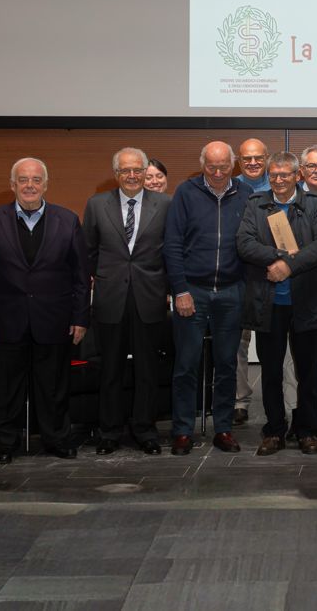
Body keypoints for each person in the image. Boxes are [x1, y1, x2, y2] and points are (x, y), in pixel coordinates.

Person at [0, 157, 90, 464]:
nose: (30, 185)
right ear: (12, 185)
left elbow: (81, 275)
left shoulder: (67, 220)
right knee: (5, 387)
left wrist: (80, 318)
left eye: (36, 180)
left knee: (53, 386)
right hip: (6, 319)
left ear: (46, 185)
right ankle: (4, 442)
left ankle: (57, 438)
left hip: (55, 319)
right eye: (23, 180)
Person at [237, 151, 317, 455]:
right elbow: (244, 243)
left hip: (307, 302)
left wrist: (289, 267)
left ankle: (306, 430)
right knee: (271, 370)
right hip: (268, 303)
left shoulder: (315, 205)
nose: (279, 180)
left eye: (285, 175)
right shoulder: (256, 204)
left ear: (297, 176)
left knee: (307, 370)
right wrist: (277, 259)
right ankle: (274, 431)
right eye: (274, 175)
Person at [83, 147, 171, 455]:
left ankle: (145, 430)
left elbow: (171, 251)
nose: (131, 176)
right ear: (116, 174)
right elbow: (89, 252)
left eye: (137, 170)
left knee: (147, 369)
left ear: (146, 172)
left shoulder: (165, 204)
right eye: (125, 171)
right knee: (110, 369)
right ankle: (109, 431)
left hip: (150, 297)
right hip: (110, 298)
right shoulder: (96, 205)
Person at [163, 140, 249, 455]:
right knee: (186, 364)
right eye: (210, 166)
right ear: (203, 164)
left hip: (231, 292)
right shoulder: (186, 193)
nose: (216, 172)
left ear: (233, 165)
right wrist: (179, 289)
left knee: (226, 364)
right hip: (192, 292)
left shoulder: (246, 195)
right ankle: (183, 430)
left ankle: (223, 429)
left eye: (223, 166)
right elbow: (172, 244)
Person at [231, 138, 275, 429]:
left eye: (258, 158)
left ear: (267, 158)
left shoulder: (279, 186)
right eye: (247, 158)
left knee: (276, 346)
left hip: (274, 273)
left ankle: (286, 404)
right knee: (238, 343)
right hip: (240, 274)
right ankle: (239, 401)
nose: (253, 163)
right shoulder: (230, 187)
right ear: (239, 160)